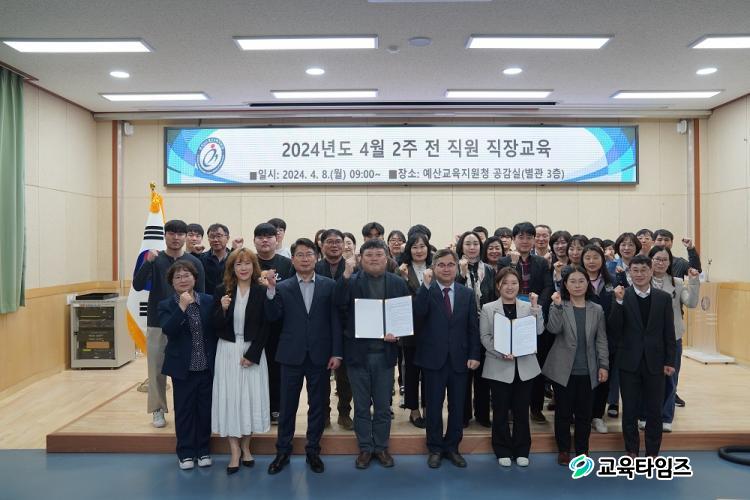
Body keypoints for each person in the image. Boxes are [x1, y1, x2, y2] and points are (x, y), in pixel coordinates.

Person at [265, 238, 343, 475]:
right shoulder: (283, 287)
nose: (305, 258)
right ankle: (282, 451)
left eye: (309, 254)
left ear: (316, 258)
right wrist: (270, 290)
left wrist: (337, 352)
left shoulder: (329, 285)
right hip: (291, 355)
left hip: (320, 355)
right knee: (287, 407)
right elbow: (272, 317)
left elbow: (335, 321)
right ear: (292, 259)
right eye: (300, 255)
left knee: (317, 405)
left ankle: (313, 451)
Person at [335, 239, 410, 469]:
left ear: (387, 258)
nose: (374, 259)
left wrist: (398, 333)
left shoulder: (397, 283)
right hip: (358, 355)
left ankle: (381, 447)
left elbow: (404, 316)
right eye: (369, 255)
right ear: (360, 258)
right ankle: (365, 448)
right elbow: (338, 307)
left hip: (384, 356)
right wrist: (345, 276)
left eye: (379, 254)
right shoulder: (351, 281)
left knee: (382, 406)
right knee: (360, 406)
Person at [132, 219, 205, 428]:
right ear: (165, 236)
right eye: (171, 233)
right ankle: (157, 409)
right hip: (158, 323)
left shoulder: (194, 261)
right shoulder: (155, 259)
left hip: (188, 323)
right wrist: (147, 262)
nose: (176, 237)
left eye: (180, 234)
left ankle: (188, 408)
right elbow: (137, 285)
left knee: (188, 369)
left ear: (186, 237)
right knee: (156, 369)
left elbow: (202, 293)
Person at [414, 248, 481, 469]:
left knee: (457, 407)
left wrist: (474, 354)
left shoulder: (466, 294)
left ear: (457, 267)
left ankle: (452, 447)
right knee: (433, 406)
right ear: (433, 268)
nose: (446, 269)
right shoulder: (427, 290)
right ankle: (434, 448)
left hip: (460, 359)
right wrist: (424, 287)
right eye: (441, 265)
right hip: (433, 359)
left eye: (450, 264)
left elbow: (472, 327)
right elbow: (417, 316)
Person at [608, 254, 676, 457]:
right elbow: (614, 329)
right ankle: (631, 450)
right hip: (629, 362)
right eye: (635, 270)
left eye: (643, 270)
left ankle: (653, 452)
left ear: (651, 271)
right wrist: (618, 303)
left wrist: (670, 361)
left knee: (654, 410)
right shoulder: (622, 296)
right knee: (629, 409)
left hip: (656, 362)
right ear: (629, 273)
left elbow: (669, 332)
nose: (639, 274)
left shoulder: (663, 298)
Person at [212, 248, 270, 474]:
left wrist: (252, 355)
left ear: (254, 267)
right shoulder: (222, 290)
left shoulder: (261, 291)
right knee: (231, 399)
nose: (243, 268)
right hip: (227, 350)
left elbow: (266, 326)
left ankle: (246, 447)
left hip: (253, 350)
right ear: (232, 268)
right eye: (238, 264)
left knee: (250, 399)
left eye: (247, 263)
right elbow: (214, 326)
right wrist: (223, 309)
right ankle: (234, 450)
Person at [543, 266, 609, 465]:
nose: (577, 285)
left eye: (581, 281)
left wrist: (604, 365)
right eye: (572, 281)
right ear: (565, 284)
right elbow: (553, 329)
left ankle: (582, 450)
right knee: (563, 413)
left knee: (584, 415)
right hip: (563, 369)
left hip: (588, 369)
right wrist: (556, 307)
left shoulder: (596, 309)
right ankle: (563, 450)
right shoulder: (559, 304)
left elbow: (601, 340)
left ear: (588, 284)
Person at [480, 268, 544, 468]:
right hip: (498, 365)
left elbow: (539, 331)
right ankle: (502, 449)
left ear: (520, 285)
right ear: (498, 285)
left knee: (521, 411)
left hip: (525, 367)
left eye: (514, 283)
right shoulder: (488, 308)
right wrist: (501, 352)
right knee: (500, 411)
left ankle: (522, 450)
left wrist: (535, 308)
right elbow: (485, 337)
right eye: (505, 283)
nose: (510, 287)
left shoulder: (528, 306)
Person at [158, 260, 217, 470]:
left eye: (186, 275)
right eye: (178, 277)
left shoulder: (208, 300)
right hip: (182, 368)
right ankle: (185, 453)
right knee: (184, 411)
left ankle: (203, 450)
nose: (183, 280)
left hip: (207, 366)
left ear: (195, 278)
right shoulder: (166, 305)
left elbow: (216, 329)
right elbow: (169, 330)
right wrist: (182, 307)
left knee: (205, 410)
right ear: (172, 282)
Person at [498, 222, 554, 424]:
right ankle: (511, 408)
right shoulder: (504, 261)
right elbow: (502, 284)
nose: (525, 241)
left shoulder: (541, 262)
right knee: (511, 364)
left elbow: (548, 286)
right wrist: (513, 265)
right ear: (514, 239)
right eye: (521, 237)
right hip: (510, 317)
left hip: (533, 316)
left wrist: (537, 305)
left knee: (535, 364)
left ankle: (536, 408)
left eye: (529, 237)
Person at [647, 246, 699, 431]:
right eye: (657, 259)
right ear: (650, 260)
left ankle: (666, 417)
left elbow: (691, 303)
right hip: (648, 339)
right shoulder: (642, 280)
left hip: (672, 338)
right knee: (648, 378)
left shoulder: (677, 282)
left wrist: (693, 282)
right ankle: (646, 415)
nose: (660, 263)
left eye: (664, 260)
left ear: (670, 262)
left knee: (670, 378)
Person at [253, 222, 295, 424]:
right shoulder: (249, 262)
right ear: (254, 240)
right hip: (254, 323)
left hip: (280, 325)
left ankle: (276, 408)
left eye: (268, 236)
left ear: (276, 239)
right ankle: (258, 408)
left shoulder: (286, 264)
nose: (264, 240)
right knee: (255, 368)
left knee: (277, 369)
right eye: (260, 237)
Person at [456, 231, 496, 428]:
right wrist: (462, 275)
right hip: (461, 328)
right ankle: (463, 415)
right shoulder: (453, 267)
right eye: (468, 243)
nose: (472, 247)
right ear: (461, 247)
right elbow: (453, 296)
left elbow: (494, 296)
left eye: (475, 243)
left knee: (483, 373)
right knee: (463, 373)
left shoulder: (488, 269)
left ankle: (482, 414)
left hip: (485, 325)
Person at [316, 229, 354, 430]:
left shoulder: (353, 268)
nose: (334, 245)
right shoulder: (314, 267)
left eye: (338, 241)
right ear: (321, 245)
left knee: (345, 376)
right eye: (329, 242)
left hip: (347, 327)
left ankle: (344, 413)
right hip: (321, 327)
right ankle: (323, 414)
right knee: (320, 375)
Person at [397, 232, 432, 429]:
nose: (419, 250)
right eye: (415, 247)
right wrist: (403, 279)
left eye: (422, 246)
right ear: (409, 250)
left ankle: (428, 407)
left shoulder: (436, 268)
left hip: (432, 328)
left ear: (428, 248)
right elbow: (401, 300)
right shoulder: (402, 270)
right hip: (409, 329)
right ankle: (413, 410)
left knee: (430, 372)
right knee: (411, 372)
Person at [582, 244, 617, 434]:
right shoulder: (577, 279)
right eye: (587, 257)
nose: (591, 261)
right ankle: (584, 416)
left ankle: (597, 415)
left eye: (595, 257)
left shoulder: (612, 281)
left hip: (608, 337)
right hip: (583, 336)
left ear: (603, 260)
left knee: (603, 377)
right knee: (585, 379)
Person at [200, 223, 240, 296]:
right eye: (212, 237)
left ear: (227, 238)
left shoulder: (235, 258)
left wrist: (236, 251)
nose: (215, 240)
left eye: (219, 236)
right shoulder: (202, 258)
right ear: (208, 239)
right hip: (208, 299)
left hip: (229, 298)